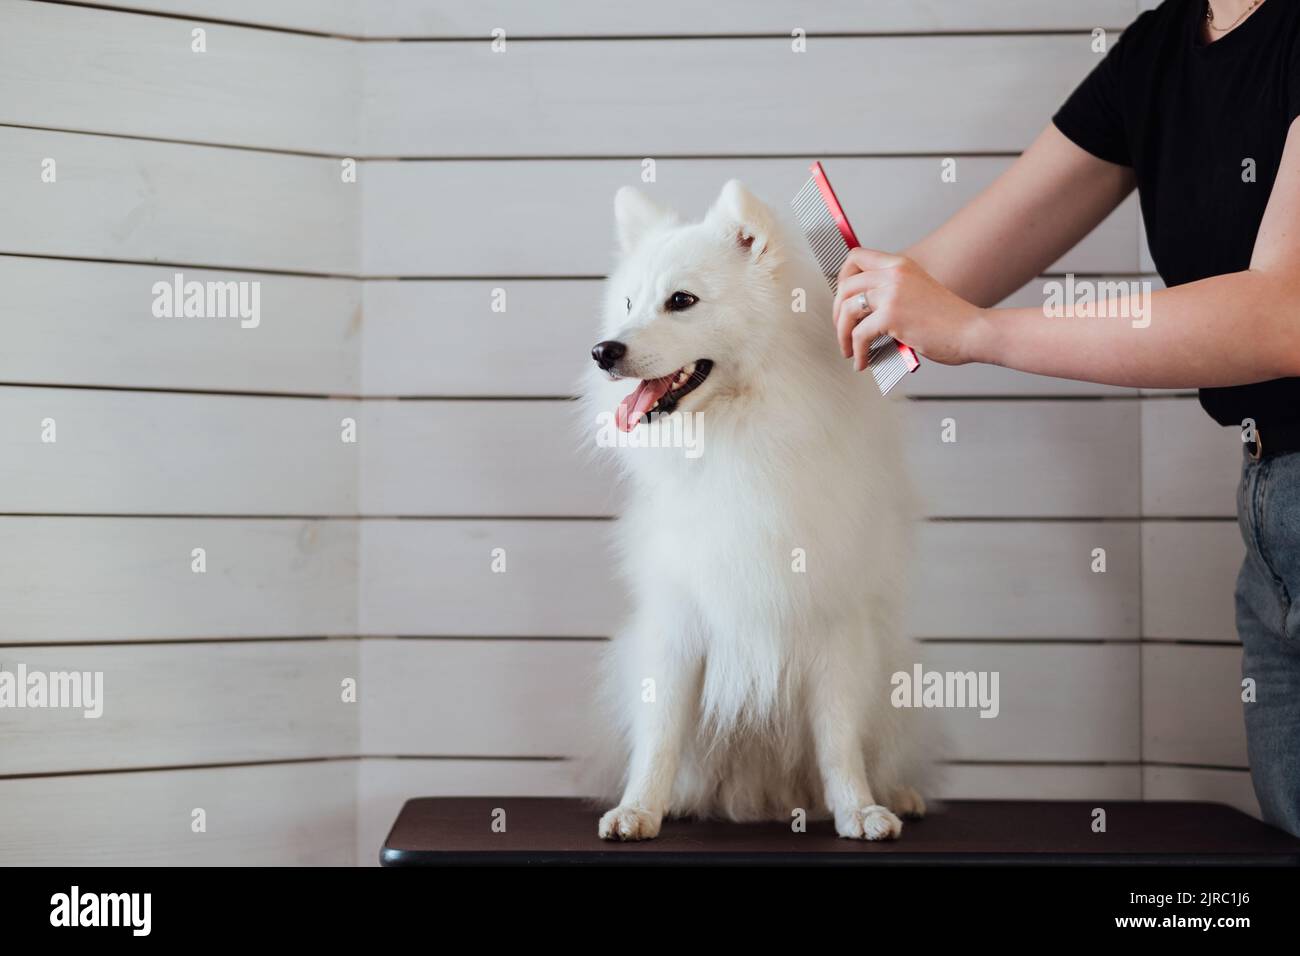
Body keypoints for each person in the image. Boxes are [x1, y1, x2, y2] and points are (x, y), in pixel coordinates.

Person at [832, 0, 1300, 836]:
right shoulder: (1162, 47)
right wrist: (772, 314)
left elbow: (1279, 316)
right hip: (1270, 520)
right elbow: (930, 288)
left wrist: (979, 335)